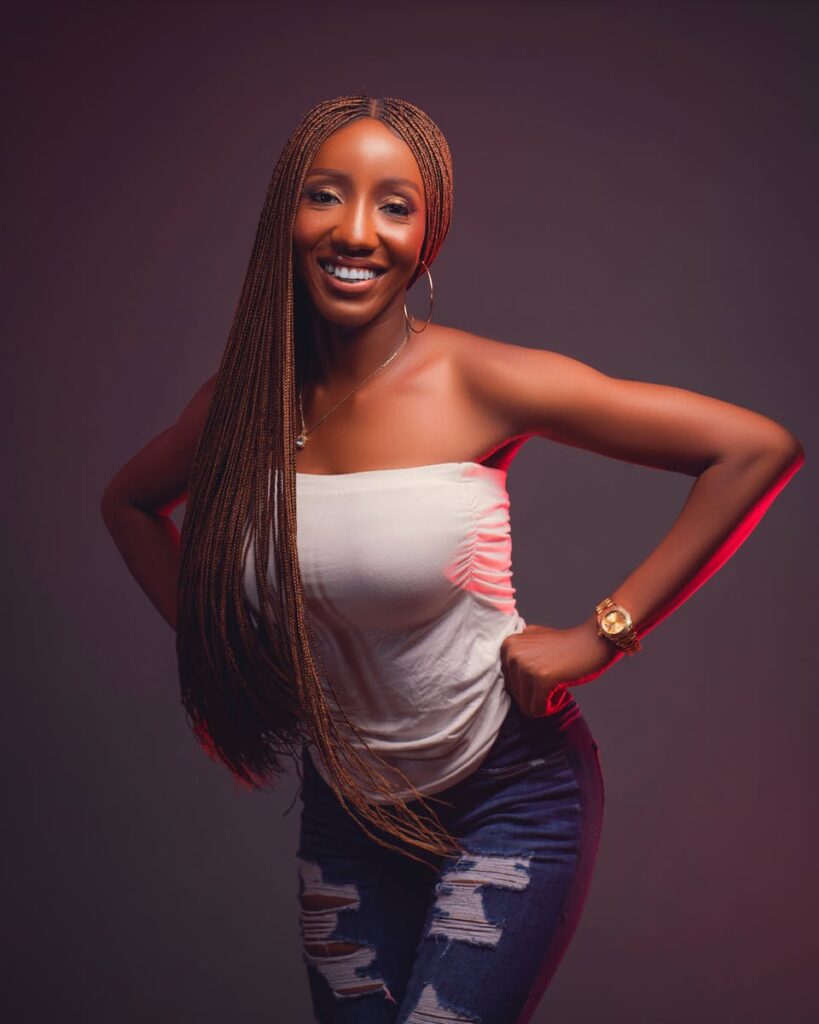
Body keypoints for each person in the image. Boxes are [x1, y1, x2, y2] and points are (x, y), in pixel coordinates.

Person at [100, 95, 805, 1023]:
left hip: (508, 797)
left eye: (395, 205)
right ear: (286, 215)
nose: (357, 231)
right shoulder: (240, 405)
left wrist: (603, 632)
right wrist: (220, 649)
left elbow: (752, 448)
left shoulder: (475, 379)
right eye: (325, 196)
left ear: (428, 238)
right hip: (345, 816)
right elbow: (130, 504)